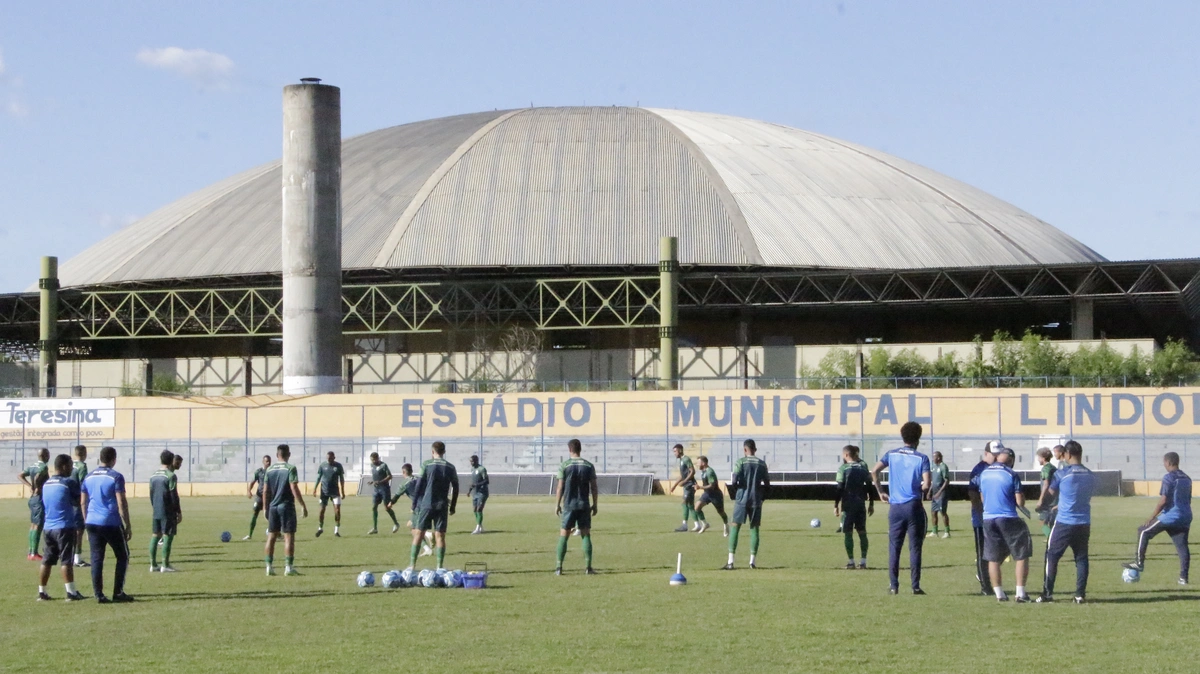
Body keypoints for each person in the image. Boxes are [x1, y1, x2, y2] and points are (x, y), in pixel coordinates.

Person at [872, 421, 931, 595]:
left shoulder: (891, 454)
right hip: (913, 506)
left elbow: (874, 471)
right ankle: (915, 585)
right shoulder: (922, 458)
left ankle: (893, 585)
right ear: (918, 438)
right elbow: (926, 484)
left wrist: (880, 491)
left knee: (894, 546)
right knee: (915, 547)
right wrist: (919, 488)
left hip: (895, 506)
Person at [1037, 440, 1095, 604]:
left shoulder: (1063, 473)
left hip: (1064, 521)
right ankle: (1079, 595)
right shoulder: (1090, 474)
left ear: (1067, 454)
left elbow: (1050, 492)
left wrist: (1044, 504)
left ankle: (1047, 593)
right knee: (1081, 558)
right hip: (1084, 521)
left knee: (1051, 556)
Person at [974, 444, 1033, 602]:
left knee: (993, 557)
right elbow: (1019, 501)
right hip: (1007, 517)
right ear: (1011, 460)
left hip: (988, 517)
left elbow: (982, 498)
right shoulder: (1011, 474)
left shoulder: (984, 473)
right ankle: (1020, 592)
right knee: (1021, 554)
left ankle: (999, 593)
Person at [1123, 452, 1191, 585]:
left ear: (1168, 462)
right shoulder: (1187, 478)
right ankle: (1183, 578)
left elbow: (1163, 500)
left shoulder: (1169, 477)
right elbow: (1188, 499)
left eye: (1164, 462)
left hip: (1171, 516)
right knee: (1182, 547)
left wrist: (1152, 517)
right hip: (1185, 516)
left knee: (1143, 531)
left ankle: (1139, 563)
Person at [81, 446, 133, 603]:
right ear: (114, 460)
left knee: (97, 558)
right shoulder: (115, 477)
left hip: (91, 522)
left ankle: (99, 594)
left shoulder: (88, 477)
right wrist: (127, 524)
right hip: (110, 522)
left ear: (99, 459)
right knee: (123, 556)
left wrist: (86, 523)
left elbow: (83, 502)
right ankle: (118, 592)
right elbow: (121, 501)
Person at [37, 454, 87, 601]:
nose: (72, 468)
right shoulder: (68, 483)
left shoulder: (47, 483)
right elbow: (78, 500)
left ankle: (42, 592)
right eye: (71, 465)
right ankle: (71, 592)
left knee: (47, 560)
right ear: (64, 466)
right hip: (64, 526)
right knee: (66, 560)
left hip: (48, 527)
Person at [407, 442, 458, 571]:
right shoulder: (450, 467)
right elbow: (456, 487)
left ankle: (412, 566)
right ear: (444, 451)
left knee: (419, 533)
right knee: (440, 535)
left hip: (427, 504)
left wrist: (414, 504)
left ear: (432, 451)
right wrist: (453, 505)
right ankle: (439, 567)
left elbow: (419, 485)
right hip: (441, 505)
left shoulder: (426, 464)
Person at [724, 439, 770, 570]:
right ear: (755, 449)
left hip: (742, 498)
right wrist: (762, 498)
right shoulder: (761, 464)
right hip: (756, 499)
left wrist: (737, 490)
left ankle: (731, 561)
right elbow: (767, 484)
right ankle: (752, 562)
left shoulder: (740, 462)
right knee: (754, 528)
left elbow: (734, 480)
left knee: (735, 527)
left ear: (745, 449)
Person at [263, 444, 308, 576]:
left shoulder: (270, 469)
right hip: (286, 506)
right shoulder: (290, 468)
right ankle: (288, 568)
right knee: (288, 537)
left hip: (273, 506)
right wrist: (302, 505)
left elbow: (265, 490)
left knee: (271, 536)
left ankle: (269, 567)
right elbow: (293, 487)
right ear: (288, 454)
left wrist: (265, 507)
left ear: (277, 455)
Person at [555, 438, 598, 575]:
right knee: (585, 535)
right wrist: (595, 504)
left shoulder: (564, 465)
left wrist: (557, 504)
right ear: (580, 449)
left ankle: (559, 568)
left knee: (564, 535)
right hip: (584, 504)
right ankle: (588, 567)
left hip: (569, 505)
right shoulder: (589, 465)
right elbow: (594, 487)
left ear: (569, 449)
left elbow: (560, 486)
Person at [835, 445, 874, 569]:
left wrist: (836, 505)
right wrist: (871, 503)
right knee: (862, 532)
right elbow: (869, 486)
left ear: (846, 455)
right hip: (860, 504)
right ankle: (863, 562)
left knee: (848, 533)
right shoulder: (863, 467)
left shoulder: (843, 468)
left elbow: (840, 488)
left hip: (848, 505)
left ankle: (851, 562)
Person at [967, 444, 997, 595]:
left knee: (996, 551)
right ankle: (985, 585)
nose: (997, 457)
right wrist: (981, 512)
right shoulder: (979, 470)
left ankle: (989, 579)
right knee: (982, 552)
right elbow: (972, 493)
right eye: (994, 454)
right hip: (982, 519)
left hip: (996, 517)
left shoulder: (998, 468)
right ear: (986, 453)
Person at [148, 451, 182, 573]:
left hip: (156, 509)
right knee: (168, 536)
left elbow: (151, 494)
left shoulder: (153, 475)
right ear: (171, 460)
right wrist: (178, 511)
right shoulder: (170, 475)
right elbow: (174, 495)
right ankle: (165, 565)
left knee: (155, 535)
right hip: (167, 510)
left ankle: (153, 564)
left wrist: (154, 506)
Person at [20, 448, 50, 561]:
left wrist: (29, 486)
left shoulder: (32, 466)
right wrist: (36, 486)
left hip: (32, 499)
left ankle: (31, 552)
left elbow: (20, 475)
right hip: (39, 499)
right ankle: (34, 553)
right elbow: (38, 476)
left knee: (33, 525)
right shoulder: (43, 467)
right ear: (46, 456)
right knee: (38, 525)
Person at [367, 452, 401, 534]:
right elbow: (376, 476)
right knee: (374, 507)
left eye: (374, 460)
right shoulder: (372, 466)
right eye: (371, 460)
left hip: (384, 489)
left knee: (387, 508)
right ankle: (375, 528)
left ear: (378, 458)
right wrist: (373, 481)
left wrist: (380, 482)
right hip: (376, 489)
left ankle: (396, 524)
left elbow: (390, 476)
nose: (373, 461)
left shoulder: (383, 465)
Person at [694, 455, 729, 536]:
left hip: (715, 495)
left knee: (721, 512)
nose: (697, 465)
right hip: (707, 494)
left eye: (698, 463)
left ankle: (726, 525)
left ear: (703, 463)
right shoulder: (703, 471)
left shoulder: (709, 472)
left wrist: (700, 487)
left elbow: (712, 485)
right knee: (697, 507)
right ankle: (705, 524)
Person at [313, 451, 345, 538]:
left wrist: (342, 491)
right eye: (327, 458)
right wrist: (315, 488)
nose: (329, 460)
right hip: (324, 491)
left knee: (337, 511)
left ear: (334, 458)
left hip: (335, 492)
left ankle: (336, 530)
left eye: (330, 458)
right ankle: (320, 528)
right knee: (321, 511)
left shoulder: (338, 466)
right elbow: (319, 477)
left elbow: (341, 479)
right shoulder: (323, 465)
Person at [669, 444, 698, 532]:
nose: (674, 453)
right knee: (690, 505)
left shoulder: (686, 459)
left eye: (675, 451)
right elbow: (682, 475)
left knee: (685, 503)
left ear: (680, 450)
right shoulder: (681, 460)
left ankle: (684, 525)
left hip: (690, 485)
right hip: (687, 485)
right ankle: (698, 524)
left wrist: (685, 481)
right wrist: (674, 485)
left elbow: (692, 471)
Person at [71, 445, 90, 567]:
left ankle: (70, 555)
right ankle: (77, 558)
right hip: (78, 501)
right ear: (84, 453)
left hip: (68, 501)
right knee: (79, 530)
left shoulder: (70, 464)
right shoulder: (82, 467)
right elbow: (84, 485)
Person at [244, 455, 271, 540]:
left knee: (271, 516)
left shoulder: (272, 472)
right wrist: (249, 491)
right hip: (259, 497)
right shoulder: (259, 472)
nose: (268, 463)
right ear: (263, 462)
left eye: (269, 461)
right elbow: (252, 482)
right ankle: (249, 534)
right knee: (255, 513)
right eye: (266, 461)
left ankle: (277, 533)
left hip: (269, 497)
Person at [928, 451, 950, 538]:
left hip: (941, 494)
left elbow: (946, 481)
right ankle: (934, 531)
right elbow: (933, 481)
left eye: (934, 457)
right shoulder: (933, 467)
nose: (933, 459)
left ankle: (947, 532)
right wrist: (930, 491)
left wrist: (939, 492)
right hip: (934, 493)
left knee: (943, 512)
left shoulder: (943, 467)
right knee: (933, 512)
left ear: (938, 457)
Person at [1035, 448, 1058, 537]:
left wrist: (1040, 499)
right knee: (1052, 520)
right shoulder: (1053, 467)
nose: (1038, 459)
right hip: (1055, 497)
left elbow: (1046, 484)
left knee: (1042, 521)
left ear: (1043, 458)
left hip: (1047, 499)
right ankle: (1053, 537)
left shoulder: (1046, 469)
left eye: (1038, 457)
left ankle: (1050, 538)